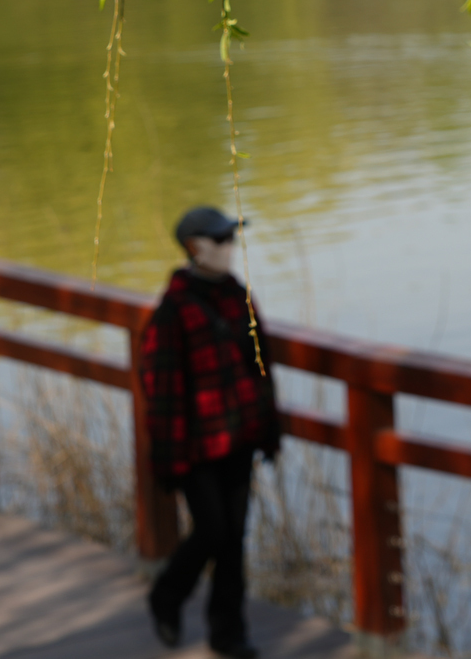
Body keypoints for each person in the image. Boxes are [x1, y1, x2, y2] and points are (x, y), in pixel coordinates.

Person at [140, 206, 280, 659]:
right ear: (194, 248)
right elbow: (160, 389)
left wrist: (268, 429)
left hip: (239, 437)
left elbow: (260, 369)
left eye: (230, 240)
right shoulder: (173, 309)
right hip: (195, 447)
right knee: (212, 531)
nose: (229, 249)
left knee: (234, 538)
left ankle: (228, 633)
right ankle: (167, 594)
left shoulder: (238, 295)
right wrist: (169, 459)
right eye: (220, 241)